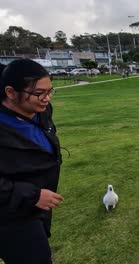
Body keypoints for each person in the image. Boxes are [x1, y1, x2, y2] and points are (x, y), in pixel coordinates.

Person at [0, 59, 63, 263]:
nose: (46, 99)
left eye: (50, 91)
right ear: (10, 92)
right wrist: (32, 195)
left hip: (35, 207)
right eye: (39, 93)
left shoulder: (42, 111)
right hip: (10, 215)